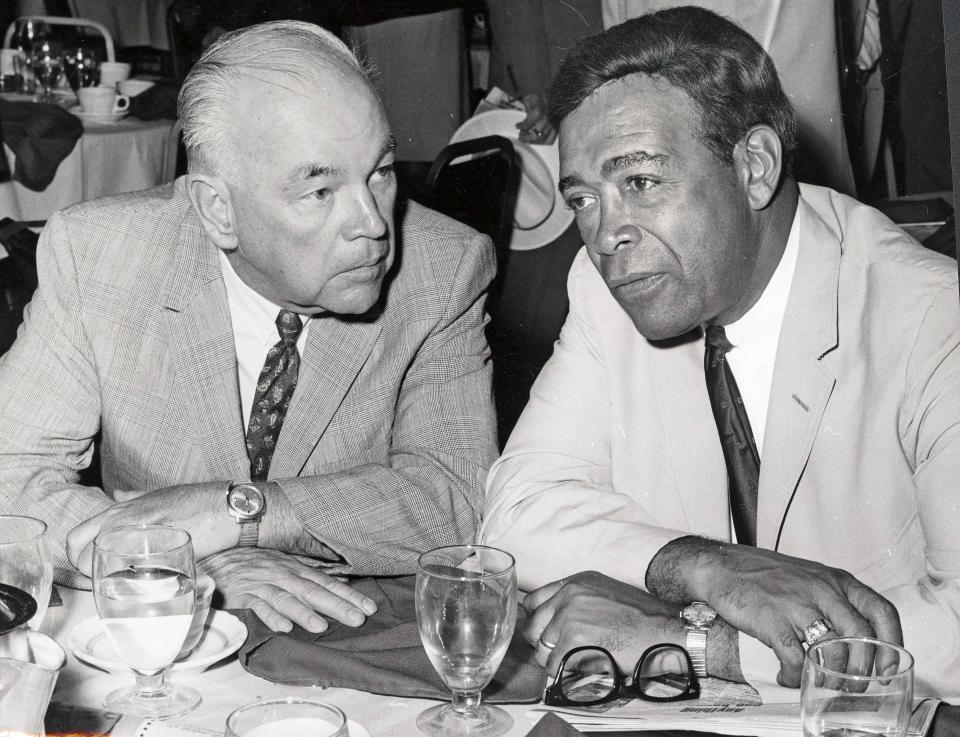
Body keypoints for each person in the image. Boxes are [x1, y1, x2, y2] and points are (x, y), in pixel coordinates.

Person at [481, 6, 960, 699]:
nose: (606, 232)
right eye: (583, 198)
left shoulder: (932, 317)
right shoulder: (608, 290)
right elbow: (517, 511)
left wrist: (695, 645)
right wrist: (706, 568)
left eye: (639, 182)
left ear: (755, 167)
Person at [0, 21, 497, 634]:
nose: (371, 222)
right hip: (157, 634)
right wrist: (181, 563)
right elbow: (8, 471)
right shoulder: (100, 255)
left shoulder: (444, 267)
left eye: (381, 170)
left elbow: (455, 499)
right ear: (218, 209)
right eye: (320, 189)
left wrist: (240, 512)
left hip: (344, 632)